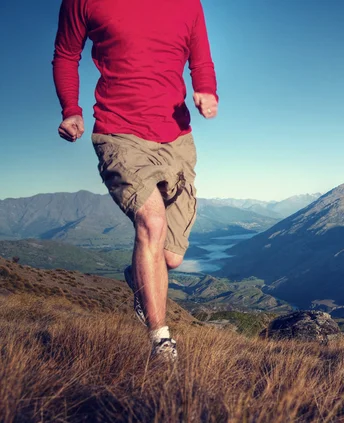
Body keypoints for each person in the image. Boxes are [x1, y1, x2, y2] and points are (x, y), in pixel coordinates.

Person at [52, 0, 218, 362]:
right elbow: (66, 55)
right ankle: (161, 342)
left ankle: (138, 277)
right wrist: (71, 110)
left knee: (170, 257)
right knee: (151, 222)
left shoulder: (188, 4)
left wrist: (207, 89)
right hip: (119, 133)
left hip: (176, 137)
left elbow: (200, 59)